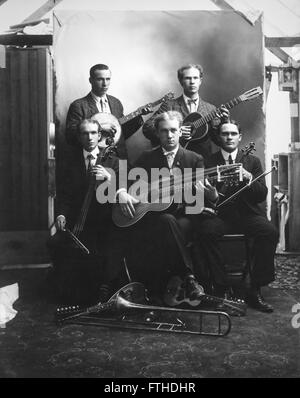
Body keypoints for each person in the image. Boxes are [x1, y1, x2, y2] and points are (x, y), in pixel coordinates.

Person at [116, 110, 214, 303]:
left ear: (180, 132)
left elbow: (203, 199)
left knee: (169, 221)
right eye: (164, 131)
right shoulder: (146, 158)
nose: (169, 136)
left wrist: (208, 193)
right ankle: (189, 278)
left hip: (184, 216)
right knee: (164, 220)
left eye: (173, 130)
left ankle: (168, 286)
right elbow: (126, 180)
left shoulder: (194, 159)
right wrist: (121, 192)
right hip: (153, 216)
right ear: (158, 133)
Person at [192, 120, 279, 313]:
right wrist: (212, 198)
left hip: (246, 215)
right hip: (219, 215)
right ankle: (221, 288)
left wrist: (248, 178)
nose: (229, 137)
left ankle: (254, 288)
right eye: (225, 134)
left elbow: (260, 195)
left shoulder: (252, 162)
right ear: (218, 138)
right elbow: (199, 194)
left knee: (269, 232)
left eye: (233, 134)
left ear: (239, 137)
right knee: (205, 231)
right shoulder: (208, 161)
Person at [47, 118, 122, 304]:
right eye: (85, 133)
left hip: (104, 220)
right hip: (76, 221)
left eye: (93, 133)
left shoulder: (114, 160)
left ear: (99, 136)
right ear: (79, 137)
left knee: (103, 248)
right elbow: (64, 194)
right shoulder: (69, 161)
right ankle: (65, 287)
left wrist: (109, 179)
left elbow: (122, 192)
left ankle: (98, 288)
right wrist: (61, 214)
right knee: (55, 243)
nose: (89, 137)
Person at [142, 63, 229, 160]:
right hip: (173, 162)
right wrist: (175, 132)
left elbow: (220, 141)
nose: (192, 82)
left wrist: (225, 122)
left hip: (202, 163)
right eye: (188, 78)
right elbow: (147, 128)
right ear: (181, 81)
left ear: (200, 81)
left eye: (195, 78)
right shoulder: (169, 105)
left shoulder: (211, 109)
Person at [65, 63, 151, 159]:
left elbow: (122, 133)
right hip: (94, 160)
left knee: (124, 174)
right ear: (91, 80)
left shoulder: (116, 103)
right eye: (100, 79)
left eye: (108, 79)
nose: (105, 83)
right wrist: (99, 128)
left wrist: (138, 116)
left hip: (119, 157)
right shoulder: (78, 106)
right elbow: (70, 136)